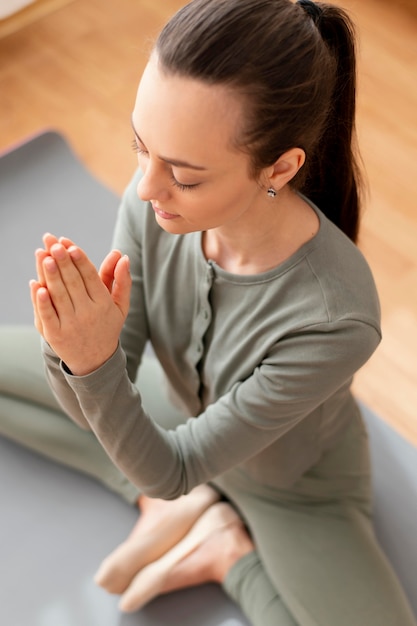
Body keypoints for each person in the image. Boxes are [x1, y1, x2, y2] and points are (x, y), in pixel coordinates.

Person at [0, 0, 415, 624]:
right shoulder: (153, 205)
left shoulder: (337, 319)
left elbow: (175, 467)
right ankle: (169, 511)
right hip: (171, 417)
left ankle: (227, 552)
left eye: (185, 178)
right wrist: (75, 354)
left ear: (280, 167)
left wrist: (93, 367)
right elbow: (107, 395)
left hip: (291, 489)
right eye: (141, 149)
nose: (145, 189)